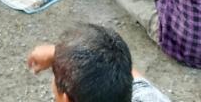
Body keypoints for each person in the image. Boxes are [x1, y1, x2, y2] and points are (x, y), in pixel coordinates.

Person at [27, 24, 171, 102]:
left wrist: (58, 54)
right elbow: (125, 70)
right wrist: (61, 53)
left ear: (65, 99)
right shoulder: (148, 97)